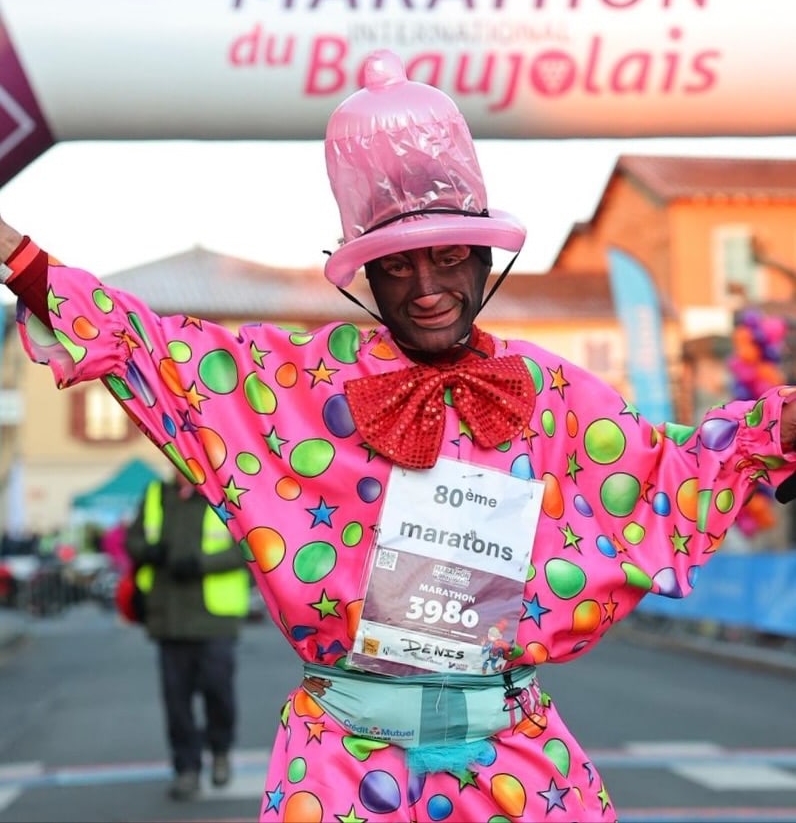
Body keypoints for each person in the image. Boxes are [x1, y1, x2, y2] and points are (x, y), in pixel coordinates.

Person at [0, 47, 794, 822]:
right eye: (395, 268)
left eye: (448, 259)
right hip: (343, 765)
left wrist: (777, 429)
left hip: (510, 763)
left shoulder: (551, 394)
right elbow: (153, 351)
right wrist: (17, 257)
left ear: (485, 260)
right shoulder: (301, 386)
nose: (424, 291)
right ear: (365, 278)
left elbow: (677, 467)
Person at [124, 471, 250, 800]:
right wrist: (148, 551)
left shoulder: (222, 493)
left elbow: (245, 547)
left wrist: (201, 564)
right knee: (176, 701)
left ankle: (220, 750)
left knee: (217, 689)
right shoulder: (156, 494)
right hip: (169, 615)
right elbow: (133, 540)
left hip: (214, 617)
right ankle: (187, 770)